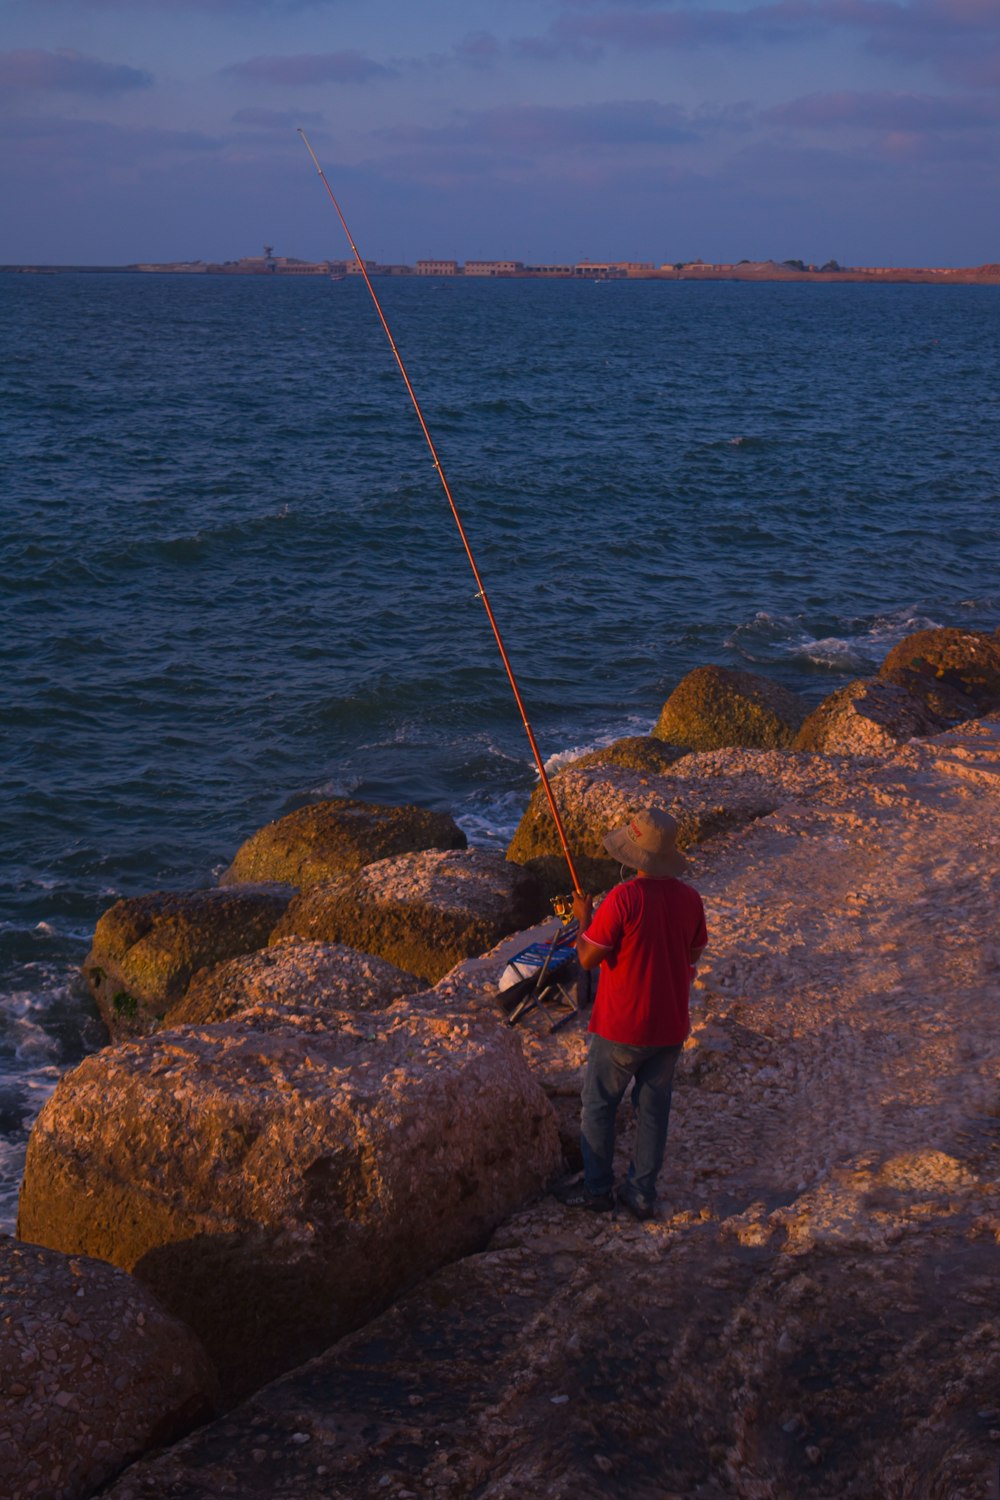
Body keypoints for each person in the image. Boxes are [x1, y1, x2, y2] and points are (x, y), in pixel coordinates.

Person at [555, 806, 707, 1220]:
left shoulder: (623, 899)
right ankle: (641, 1195)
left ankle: (597, 1189)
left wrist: (584, 918)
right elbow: (693, 952)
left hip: (622, 1026)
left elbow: (587, 957)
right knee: (653, 1108)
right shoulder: (691, 899)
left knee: (599, 1104)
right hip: (670, 1025)